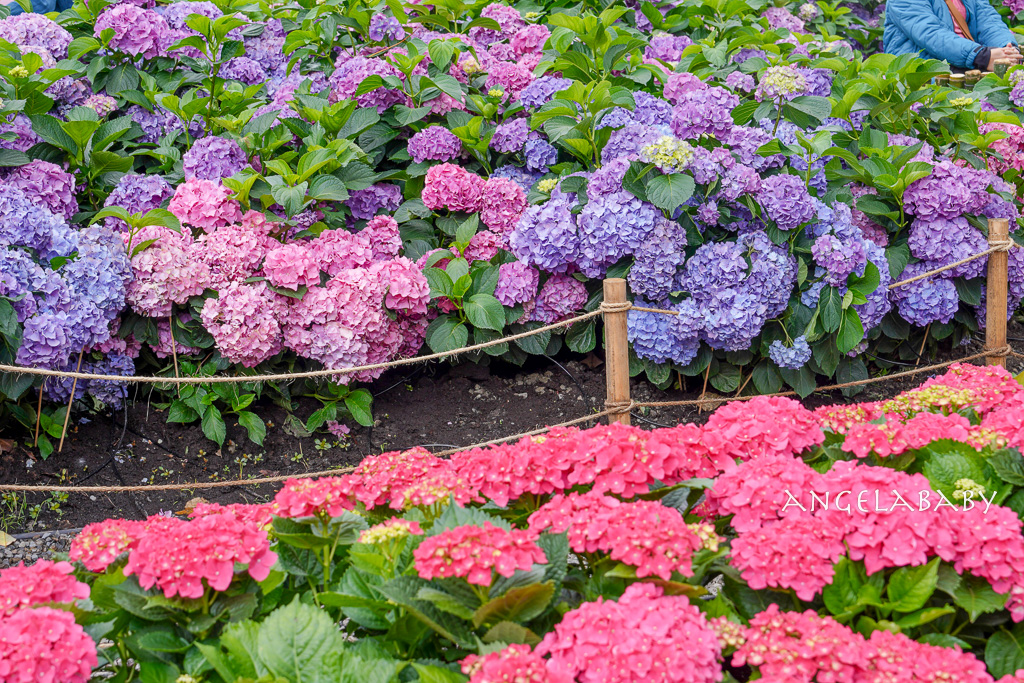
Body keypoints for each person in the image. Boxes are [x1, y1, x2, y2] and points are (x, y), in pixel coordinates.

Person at [884, 0, 1023, 71]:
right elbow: (930, 33)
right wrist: (981, 55)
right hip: (924, 73)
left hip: (966, 63)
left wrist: (1007, 48)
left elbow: (987, 19)